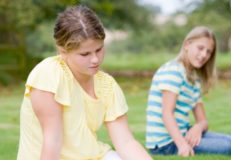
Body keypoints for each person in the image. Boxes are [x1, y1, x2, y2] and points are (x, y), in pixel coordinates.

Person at [17, 5, 152, 160]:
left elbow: (125, 142)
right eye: (85, 54)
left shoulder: (107, 84)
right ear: (62, 51)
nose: (95, 59)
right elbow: (52, 141)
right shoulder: (48, 75)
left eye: (99, 49)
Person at [145, 26, 231, 157]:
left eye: (209, 52)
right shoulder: (173, 71)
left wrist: (197, 128)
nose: (204, 55)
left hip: (183, 133)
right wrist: (182, 145)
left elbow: (203, 121)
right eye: (200, 48)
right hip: (166, 143)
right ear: (187, 45)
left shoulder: (194, 78)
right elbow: (166, 114)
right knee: (230, 147)